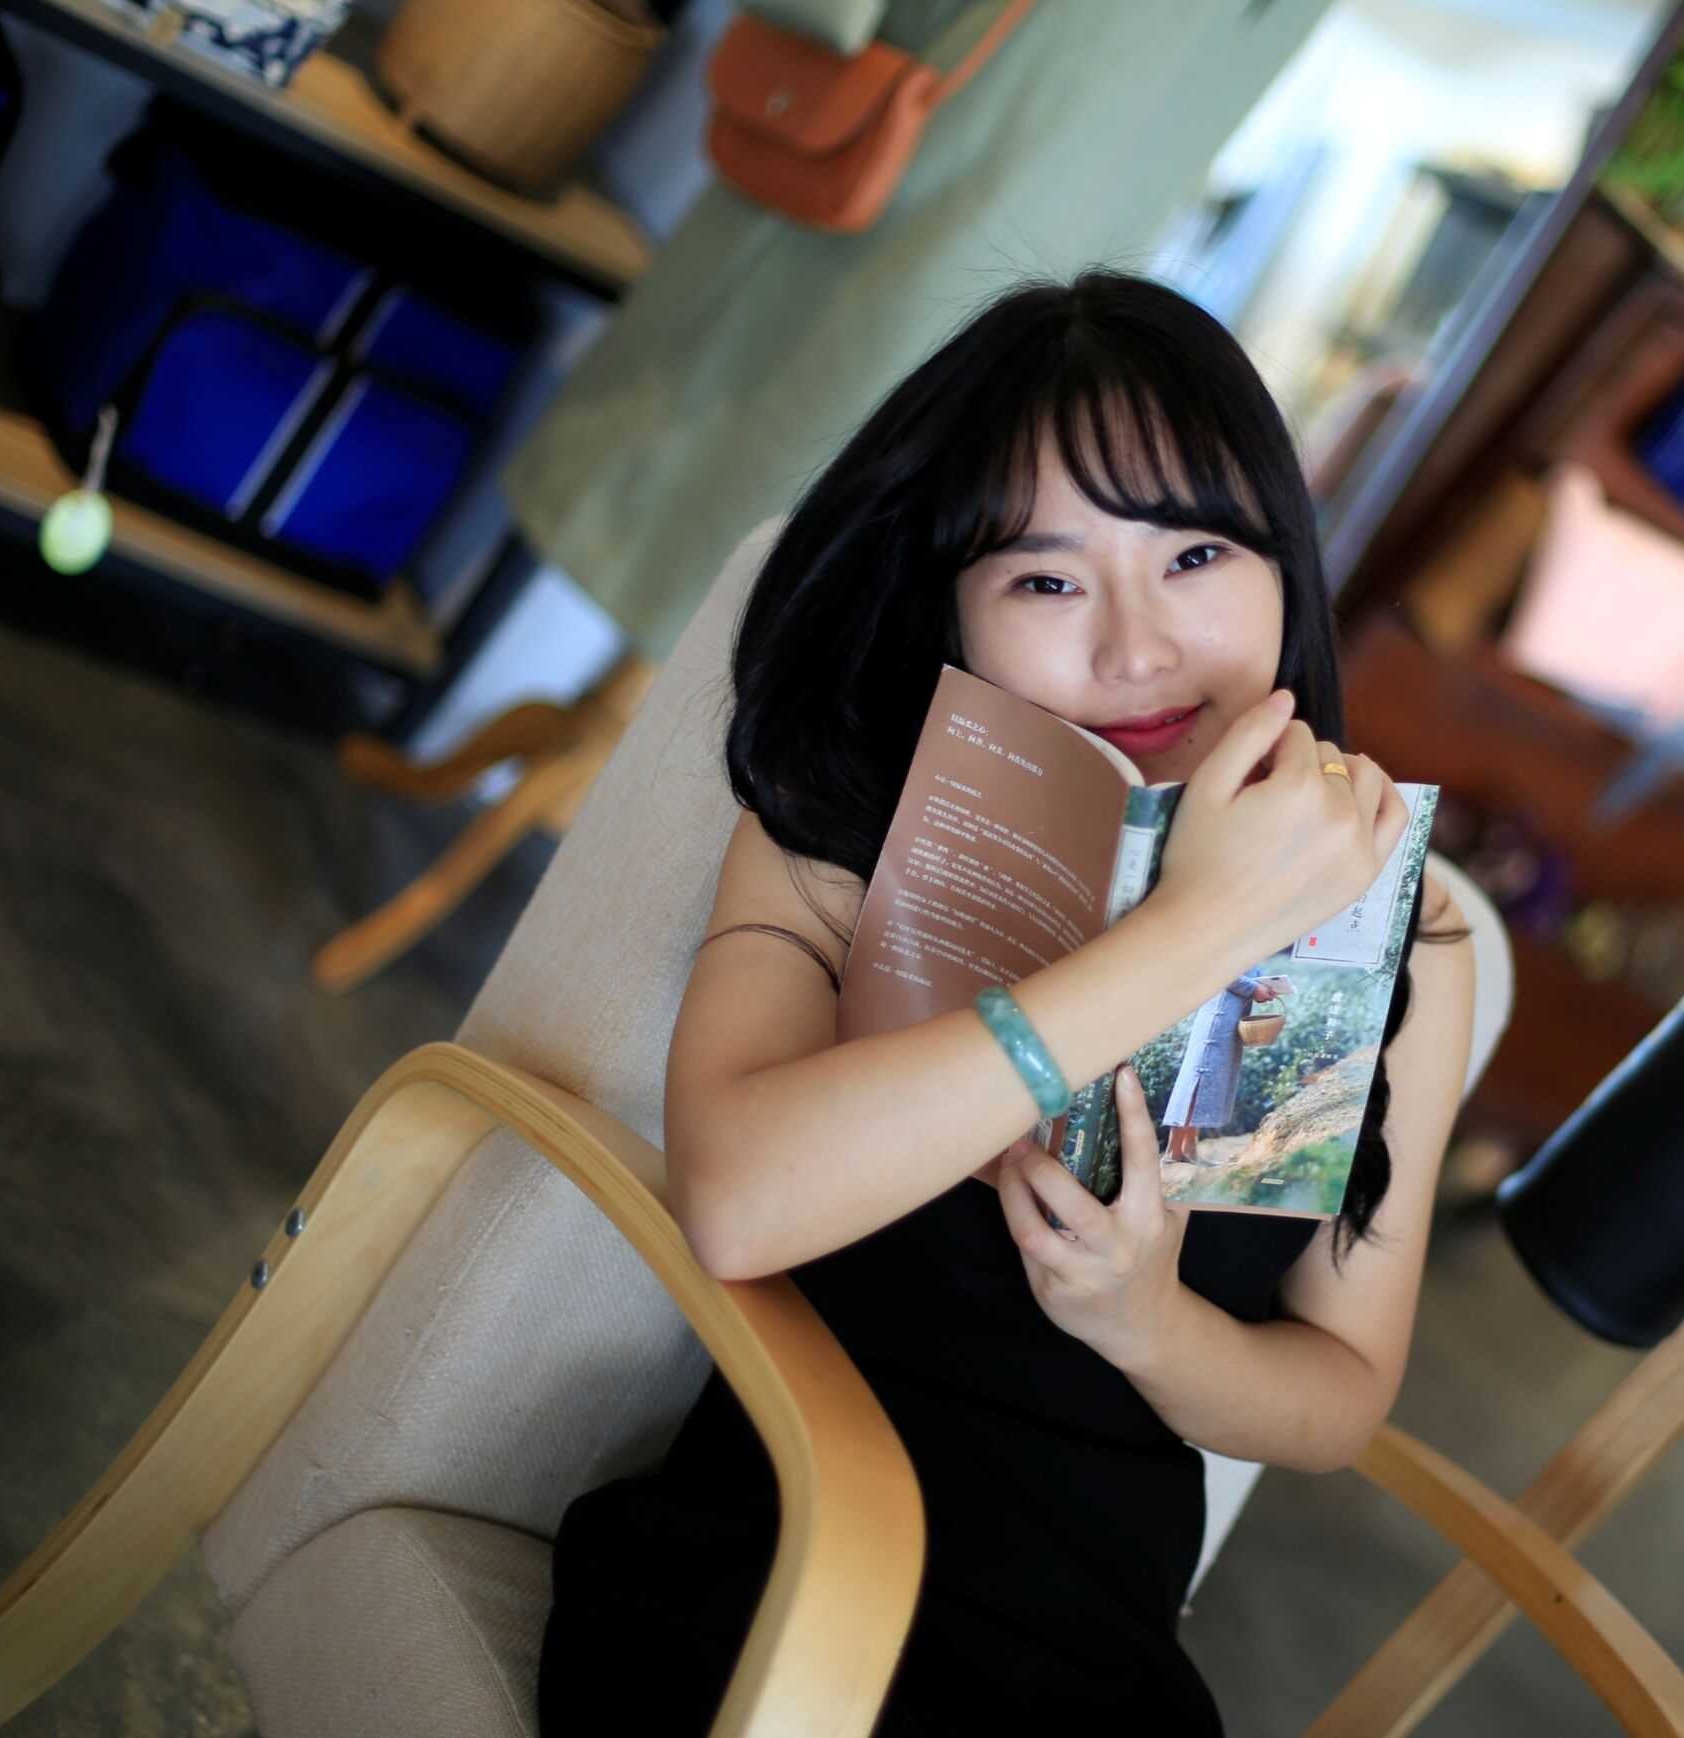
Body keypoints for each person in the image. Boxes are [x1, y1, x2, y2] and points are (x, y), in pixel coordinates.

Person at [536, 271, 1475, 1737]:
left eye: (1196, 555)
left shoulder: (1411, 931)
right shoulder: (840, 824)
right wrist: (1197, 929)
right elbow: (738, 1202)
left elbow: (1340, 1393)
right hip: (779, 1599)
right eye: (1045, 580)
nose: (1135, 647)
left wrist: (1148, 1323)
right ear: (955, 609)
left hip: (1094, 1677)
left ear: (1287, 565)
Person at [1162, 968, 1287, 1163]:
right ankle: (1173, 1152)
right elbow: (1224, 973)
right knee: (1198, 1077)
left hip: (1229, 1017)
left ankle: (1189, 1149)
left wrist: (1263, 990)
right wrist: (1255, 988)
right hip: (1217, 1016)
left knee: (1207, 1081)